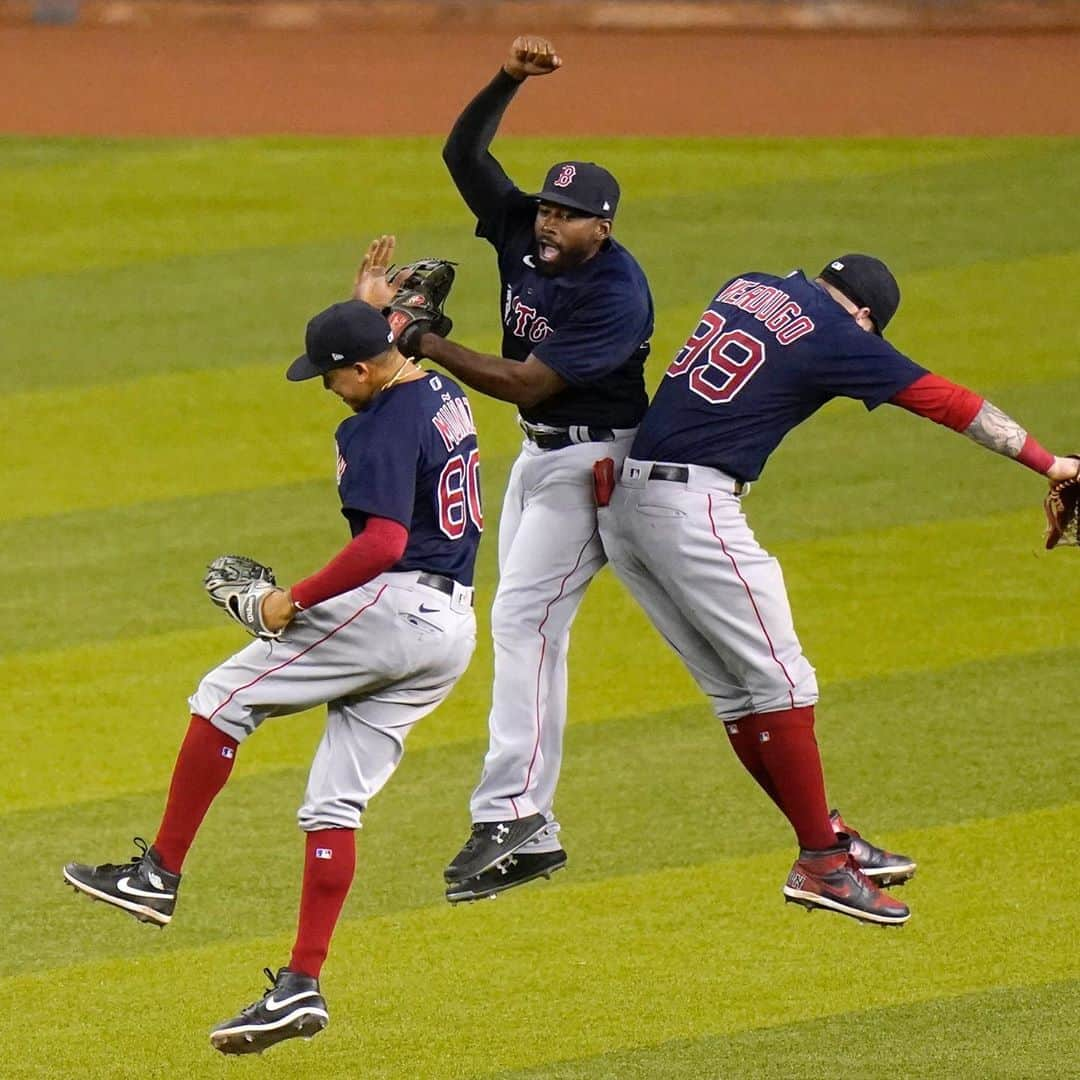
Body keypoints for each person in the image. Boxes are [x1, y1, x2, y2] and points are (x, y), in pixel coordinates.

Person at [595, 253, 1080, 926]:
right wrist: (1052, 463)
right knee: (786, 684)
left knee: (739, 693)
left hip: (624, 505)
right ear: (865, 317)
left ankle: (827, 835)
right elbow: (945, 401)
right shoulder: (840, 333)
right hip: (691, 511)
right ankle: (822, 863)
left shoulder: (748, 285)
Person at [62, 290, 482, 1052]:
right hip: (451, 631)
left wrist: (293, 600)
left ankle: (157, 875)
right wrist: (370, 305)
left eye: (330, 374)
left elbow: (384, 542)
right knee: (332, 806)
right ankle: (301, 986)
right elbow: (389, 344)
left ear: (363, 367)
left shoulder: (381, 422)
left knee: (225, 696)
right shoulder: (435, 386)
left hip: (395, 607)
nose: (325, 387)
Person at [412, 35, 654, 903]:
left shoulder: (616, 294)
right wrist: (506, 79)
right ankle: (534, 826)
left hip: (599, 460)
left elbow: (529, 379)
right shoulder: (521, 228)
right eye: (547, 206)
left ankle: (511, 811)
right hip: (539, 454)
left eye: (570, 214)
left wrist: (425, 343)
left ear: (604, 227)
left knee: (524, 621)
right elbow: (462, 153)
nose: (550, 221)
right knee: (526, 627)